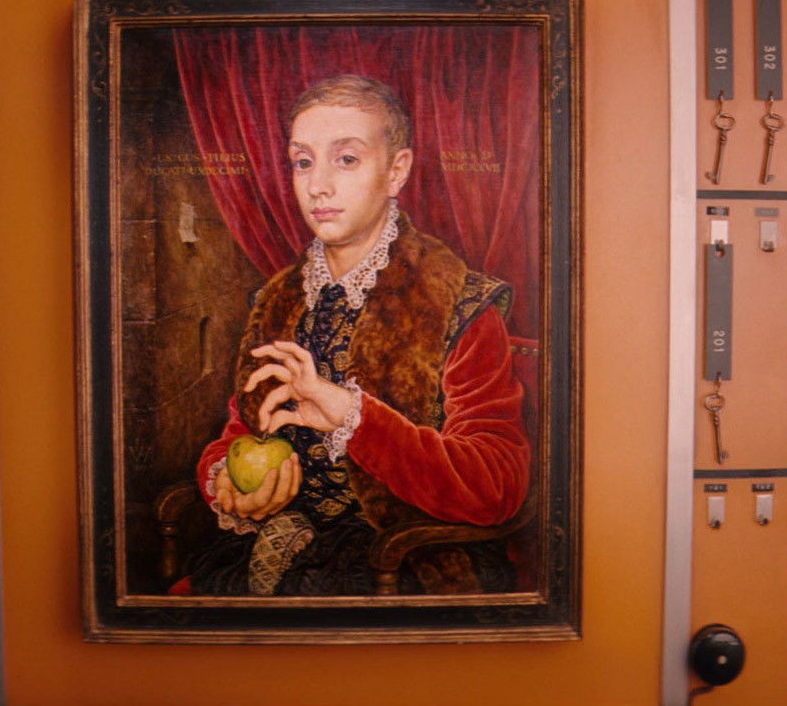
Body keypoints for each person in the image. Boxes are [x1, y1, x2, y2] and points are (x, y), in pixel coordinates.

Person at [185, 74, 530, 596]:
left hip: (404, 561)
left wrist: (352, 414)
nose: (317, 186)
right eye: (303, 162)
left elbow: (496, 486)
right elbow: (241, 429)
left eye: (346, 159)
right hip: (276, 545)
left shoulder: (460, 301)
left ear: (397, 171)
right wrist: (228, 481)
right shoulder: (276, 300)